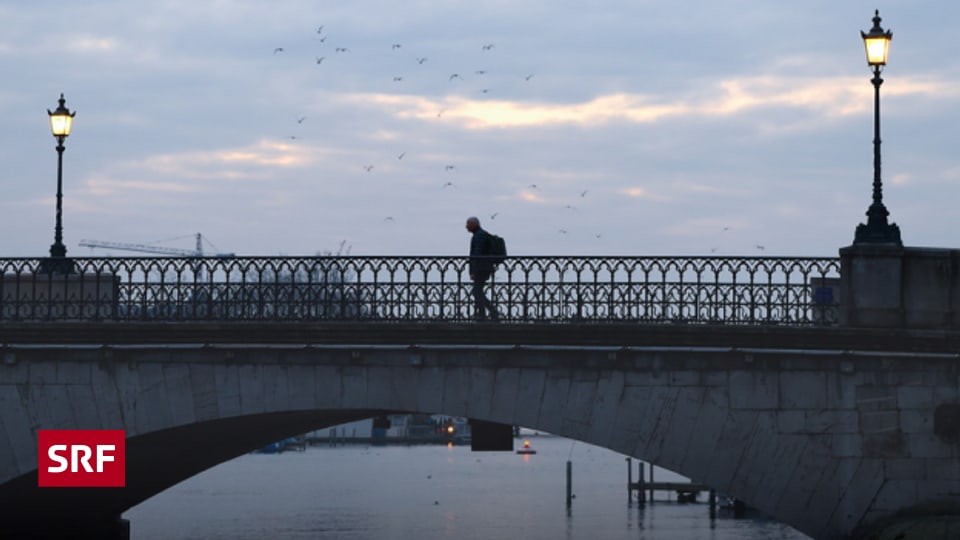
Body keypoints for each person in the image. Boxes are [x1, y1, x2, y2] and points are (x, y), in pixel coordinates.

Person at [465, 216, 499, 321]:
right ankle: (487, 313)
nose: (466, 227)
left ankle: (486, 314)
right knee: (477, 291)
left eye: (468, 224)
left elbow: (477, 254)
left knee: (476, 291)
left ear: (474, 224)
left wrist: (473, 271)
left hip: (481, 268)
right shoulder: (480, 234)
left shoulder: (479, 236)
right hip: (484, 267)